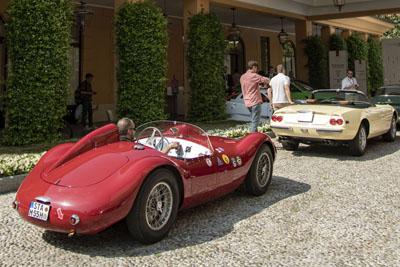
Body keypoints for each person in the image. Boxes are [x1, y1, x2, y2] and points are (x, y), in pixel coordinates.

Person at [240, 60, 270, 133]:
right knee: (254, 123)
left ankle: (255, 137)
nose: (257, 70)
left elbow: (249, 86)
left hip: (247, 101)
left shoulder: (243, 76)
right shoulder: (254, 75)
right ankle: (252, 139)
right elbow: (266, 80)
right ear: (254, 67)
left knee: (253, 121)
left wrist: (257, 87)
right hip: (255, 101)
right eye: (256, 68)